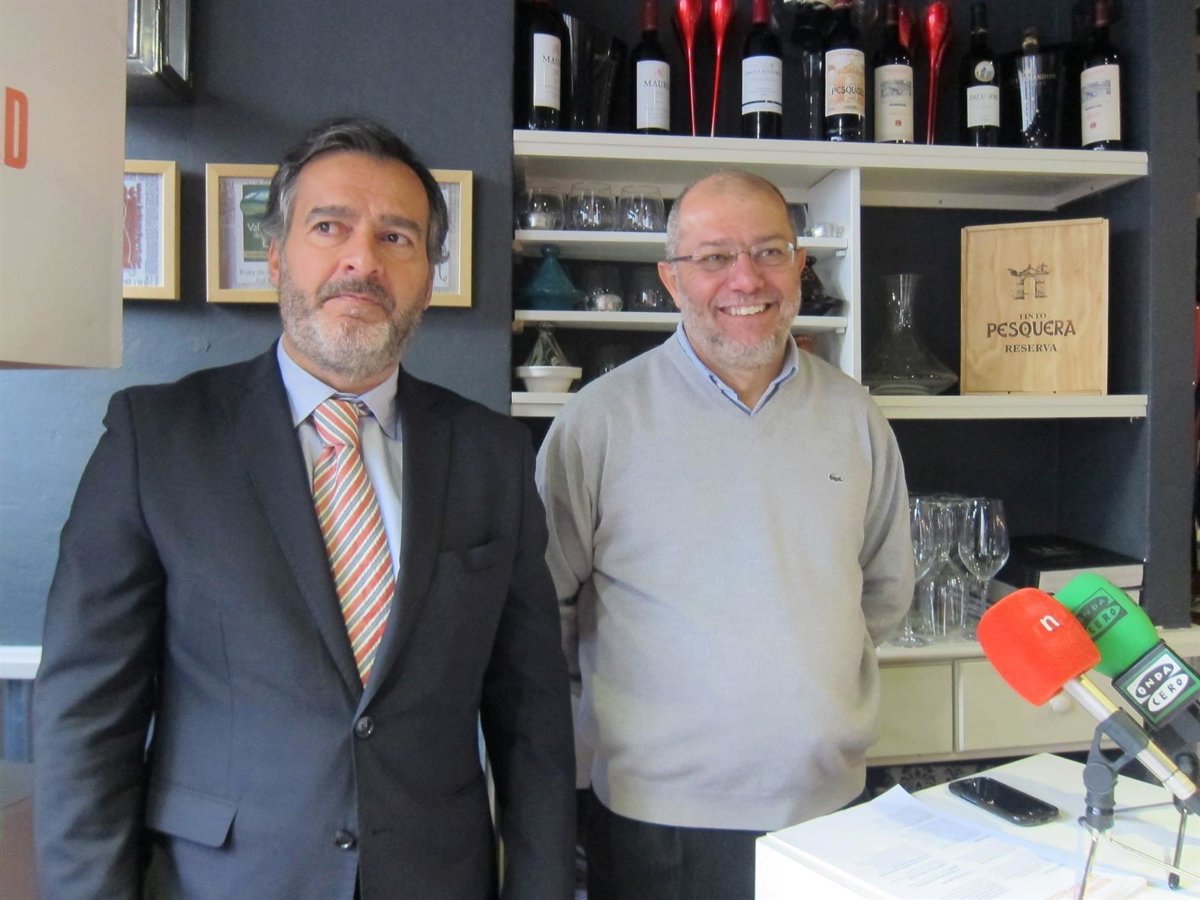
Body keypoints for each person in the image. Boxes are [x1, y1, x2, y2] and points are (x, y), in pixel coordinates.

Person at [34, 117, 575, 900]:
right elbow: (86, 712)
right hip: (221, 881)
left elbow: (532, 721)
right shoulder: (157, 439)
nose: (362, 260)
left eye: (397, 237)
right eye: (330, 227)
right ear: (277, 256)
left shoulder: (494, 454)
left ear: (428, 278)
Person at [536, 170, 915, 900]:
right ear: (671, 279)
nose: (747, 278)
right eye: (714, 257)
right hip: (655, 826)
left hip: (830, 808)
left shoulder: (856, 416)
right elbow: (542, 610)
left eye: (770, 252)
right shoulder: (598, 421)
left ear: (800, 265)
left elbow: (883, 593)